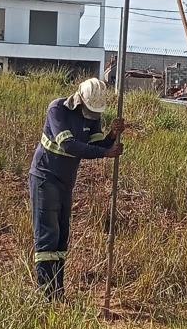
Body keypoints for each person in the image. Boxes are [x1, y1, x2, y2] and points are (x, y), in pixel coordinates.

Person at [29, 77, 123, 300]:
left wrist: (111, 136)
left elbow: (95, 144)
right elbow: (68, 145)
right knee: (48, 235)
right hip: (45, 177)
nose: (92, 115)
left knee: (61, 238)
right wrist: (105, 153)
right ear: (80, 100)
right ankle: (46, 295)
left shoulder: (93, 116)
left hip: (65, 182)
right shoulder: (57, 109)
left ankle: (58, 292)